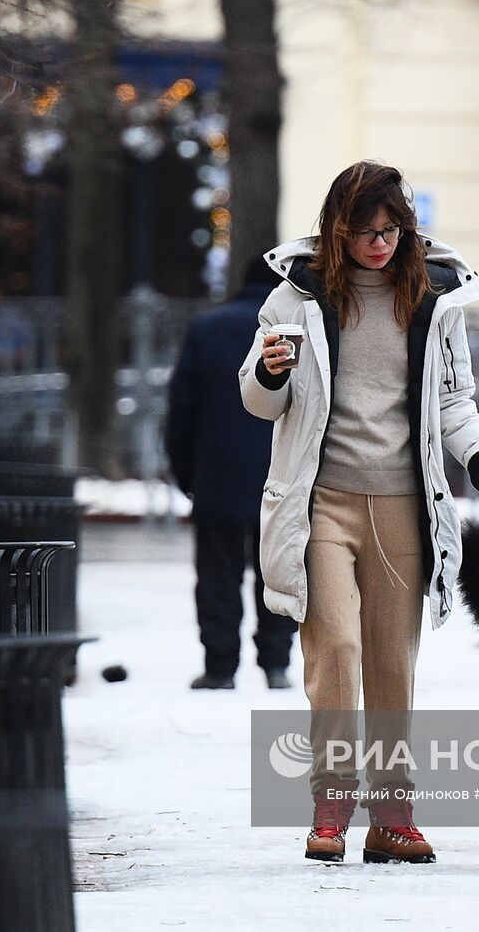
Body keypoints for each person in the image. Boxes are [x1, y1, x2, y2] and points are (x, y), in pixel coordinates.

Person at [239, 161, 479, 865]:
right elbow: (259, 399)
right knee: (335, 647)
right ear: (338, 228)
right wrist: (270, 369)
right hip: (321, 503)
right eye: (365, 231)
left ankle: (392, 815)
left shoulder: (434, 299)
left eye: (391, 230)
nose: (380, 244)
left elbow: (456, 403)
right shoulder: (294, 299)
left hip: (404, 505)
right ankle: (330, 806)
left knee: (393, 660)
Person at [165, 258, 298, 692]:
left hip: (217, 475)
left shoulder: (206, 329)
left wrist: (187, 473)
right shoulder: (292, 339)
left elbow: (181, 410)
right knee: (277, 575)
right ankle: (276, 664)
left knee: (217, 576)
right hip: (280, 479)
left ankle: (220, 667)